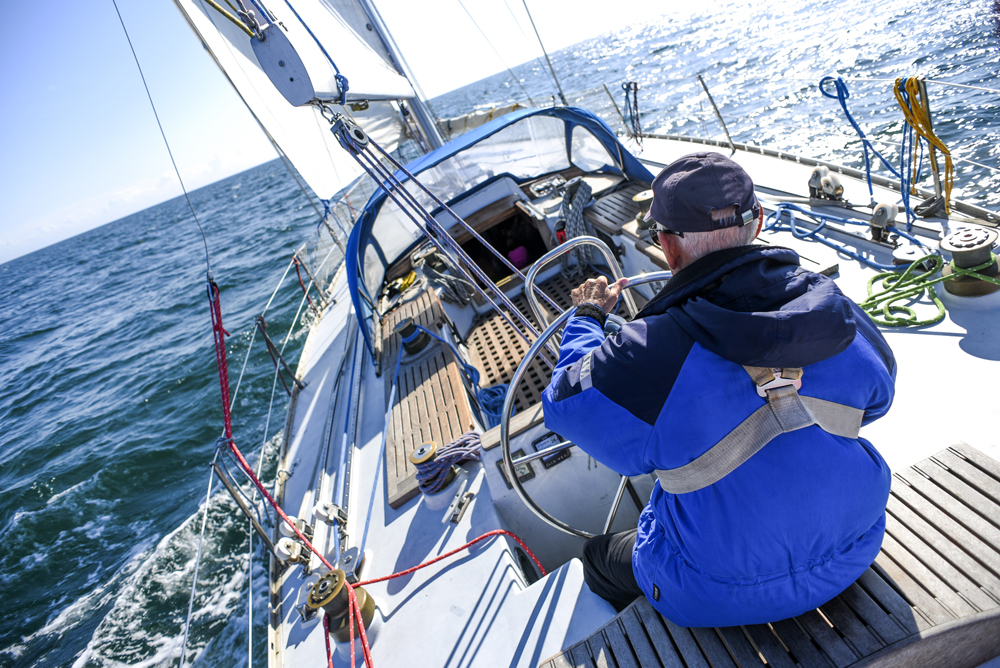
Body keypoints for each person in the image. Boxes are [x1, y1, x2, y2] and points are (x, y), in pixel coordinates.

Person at [541, 152, 895, 627]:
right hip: (858, 543)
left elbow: (563, 403)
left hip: (718, 591)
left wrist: (586, 318)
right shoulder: (829, 305)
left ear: (668, 246)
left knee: (598, 556)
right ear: (759, 222)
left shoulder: (642, 354)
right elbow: (878, 398)